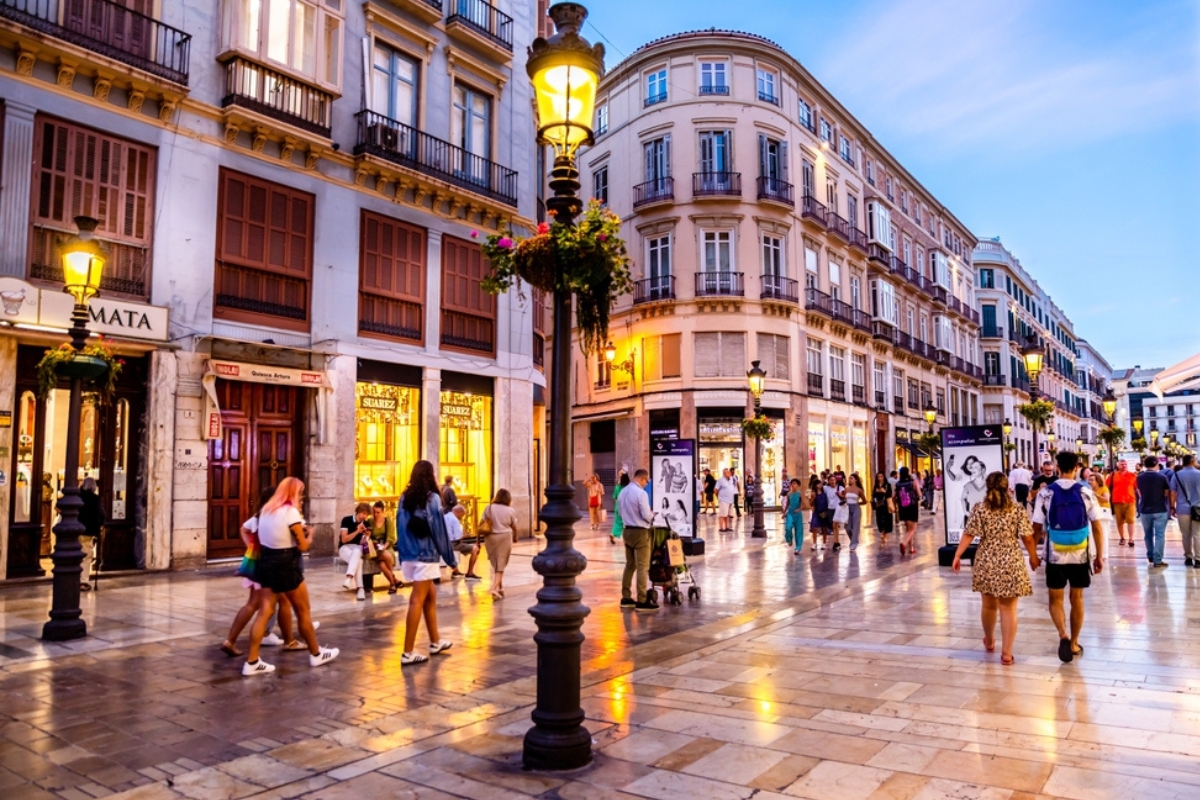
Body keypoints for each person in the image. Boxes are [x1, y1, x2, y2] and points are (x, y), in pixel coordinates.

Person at [243, 478, 337, 676]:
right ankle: (316, 653)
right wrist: (310, 535)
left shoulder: (266, 510)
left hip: (267, 561)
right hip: (287, 563)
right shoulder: (290, 512)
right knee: (303, 610)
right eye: (300, 492)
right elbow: (302, 546)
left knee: (264, 612)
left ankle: (251, 660)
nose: (301, 496)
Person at [951, 472, 1039, 665]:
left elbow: (969, 533)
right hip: (1010, 560)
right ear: (1008, 486)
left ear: (987, 487)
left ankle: (990, 641)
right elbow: (1028, 537)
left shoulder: (980, 509)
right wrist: (1033, 557)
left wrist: (957, 555)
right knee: (1008, 609)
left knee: (988, 605)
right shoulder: (1016, 509)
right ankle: (1007, 654)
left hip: (987, 560)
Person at [1031, 451, 1105, 664]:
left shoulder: (1046, 493)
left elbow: (1036, 526)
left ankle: (1062, 634)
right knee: (1077, 598)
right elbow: (1097, 527)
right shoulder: (1085, 492)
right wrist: (1099, 556)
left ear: (1057, 466)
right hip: (1080, 553)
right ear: (1076, 468)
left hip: (1055, 553)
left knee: (1055, 598)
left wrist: (1034, 555)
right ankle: (1073, 643)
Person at [222, 487, 301, 658]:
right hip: (270, 564)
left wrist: (251, 547)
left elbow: (244, 529)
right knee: (276, 603)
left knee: (256, 603)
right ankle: (288, 642)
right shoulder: (273, 517)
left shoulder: (259, 516)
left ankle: (231, 641)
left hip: (256, 563)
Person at [396, 460, 458, 665]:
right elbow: (439, 531)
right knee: (417, 600)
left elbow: (400, 527)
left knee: (430, 595)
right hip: (425, 555)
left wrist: (403, 553)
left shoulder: (404, 498)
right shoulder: (432, 500)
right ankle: (407, 652)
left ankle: (435, 641)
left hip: (409, 555)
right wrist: (451, 559)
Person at [617, 468, 657, 611]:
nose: (646, 484)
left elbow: (620, 512)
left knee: (629, 565)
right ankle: (642, 600)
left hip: (627, 530)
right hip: (640, 532)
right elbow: (646, 515)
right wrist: (653, 515)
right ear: (642, 478)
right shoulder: (641, 493)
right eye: (646, 481)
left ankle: (626, 597)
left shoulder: (623, 492)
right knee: (642, 566)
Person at [480, 488, 519, 600]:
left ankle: (501, 587)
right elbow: (515, 526)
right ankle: (494, 588)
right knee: (501, 563)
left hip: (490, 538)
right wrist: (516, 537)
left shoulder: (489, 508)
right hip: (504, 537)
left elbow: (481, 523)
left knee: (497, 563)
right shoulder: (510, 510)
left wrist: (478, 539)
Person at [1136, 455, 1174, 568]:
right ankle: (1158, 560)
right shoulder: (1162, 477)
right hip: (1160, 509)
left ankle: (1150, 555)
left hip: (1144, 509)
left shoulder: (1139, 477)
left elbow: (1139, 491)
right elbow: (1167, 492)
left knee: (1147, 534)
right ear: (1157, 464)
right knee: (1159, 535)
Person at [338, 503, 372, 601]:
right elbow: (344, 540)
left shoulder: (366, 524)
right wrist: (357, 531)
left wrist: (367, 536)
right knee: (359, 561)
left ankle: (349, 578)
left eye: (367, 514)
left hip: (357, 548)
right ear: (358, 512)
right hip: (344, 548)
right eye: (363, 513)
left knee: (358, 550)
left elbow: (362, 543)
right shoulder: (346, 520)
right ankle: (360, 589)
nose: (364, 516)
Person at [1172, 455, 1200, 568]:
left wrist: (1172, 507)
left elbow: (1172, 492)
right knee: (1197, 534)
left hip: (1182, 508)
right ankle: (1198, 559)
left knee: (1185, 534)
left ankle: (1188, 557)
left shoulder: (1177, 475)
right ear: (1193, 461)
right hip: (1198, 508)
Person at [946, 454, 988, 530]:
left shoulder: (980, 474)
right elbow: (954, 478)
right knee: (964, 524)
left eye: (972, 464)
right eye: (967, 463)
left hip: (976, 503)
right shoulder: (962, 473)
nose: (969, 466)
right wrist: (948, 470)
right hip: (964, 501)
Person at [367, 501, 401, 592]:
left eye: (378, 512)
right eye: (374, 512)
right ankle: (393, 582)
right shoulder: (370, 521)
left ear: (383, 512)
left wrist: (383, 547)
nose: (375, 514)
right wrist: (376, 544)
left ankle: (393, 584)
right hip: (374, 548)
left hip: (386, 546)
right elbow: (368, 536)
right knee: (387, 556)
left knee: (382, 564)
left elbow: (391, 538)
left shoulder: (388, 521)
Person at [78, 477, 103, 591]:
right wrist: (100, 525)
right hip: (88, 531)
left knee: (75, 555)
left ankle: (74, 579)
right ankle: (82, 581)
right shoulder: (95, 499)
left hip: (75, 530)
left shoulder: (77, 496)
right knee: (87, 556)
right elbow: (102, 514)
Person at [444, 504, 481, 579]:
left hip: (443, 543)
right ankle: (470, 573)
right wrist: (466, 535)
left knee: (463, 545)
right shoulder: (455, 520)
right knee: (475, 548)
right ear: (459, 512)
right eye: (462, 515)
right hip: (452, 544)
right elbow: (457, 538)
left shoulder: (445, 516)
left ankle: (456, 570)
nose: (462, 517)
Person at [1107, 459, 1138, 548]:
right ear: (1118, 465)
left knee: (1131, 521)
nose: (1124, 466)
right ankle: (1122, 537)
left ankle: (1131, 539)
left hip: (1130, 501)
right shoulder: (1112, 476)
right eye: (1122, 464)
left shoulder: (1132, 475)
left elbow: (1137, 488)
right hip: (1117, 501)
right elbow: (1107, 487)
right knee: (1119, 521)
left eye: (1125, 464)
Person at [895, 467, 920, 555]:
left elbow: (894, 496)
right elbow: (919, 494)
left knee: (908, 529)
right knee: (913, 528)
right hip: (912, 506)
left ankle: (911, 548)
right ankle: (904, 543)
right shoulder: (913, 482)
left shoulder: (898, 484)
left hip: (902, 507)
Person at [871, 472, 894, 545]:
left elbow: (890, 494)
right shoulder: (876, 485)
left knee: (887, 519)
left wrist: (884, 491)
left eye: (881, 476)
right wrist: (877, 492)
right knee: (879, 519)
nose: (880, 478)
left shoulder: (887, 485)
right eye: (878, 476)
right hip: (879, 504)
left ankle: (885, 533)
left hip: (886, 504)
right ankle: (882, 531)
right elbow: (873, 494)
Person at [844, 473, 865, 552]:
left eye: (851, 478)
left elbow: (864, 501)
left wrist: (857, 503)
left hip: (856, 508)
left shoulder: (859, 490)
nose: (850, 480)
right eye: (849, 478)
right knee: (848, 528)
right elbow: (844, 499)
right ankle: (854, 539)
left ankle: (853, 544)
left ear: (856, 480)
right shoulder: (846, 489)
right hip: (847, 508)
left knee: (855, 527)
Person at [783, 478, 805, 554]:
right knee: (788, 527)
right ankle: (789, 539)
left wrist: (798, 509)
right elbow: (787, 504)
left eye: (795, 483)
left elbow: (804, 505)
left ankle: (798, 548)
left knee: (799, 531)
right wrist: (784, 512)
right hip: (790, 513)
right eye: (792, 483)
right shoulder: (789, 494)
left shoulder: (800, 494)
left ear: (798, 485)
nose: (793, 485)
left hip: (798, 514)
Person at [612, 471, 629, 544]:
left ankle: (612, 534)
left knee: (617, 522)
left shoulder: (617, 487)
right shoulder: (628, 488)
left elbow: (615, 497)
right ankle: (626, 539)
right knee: (627, 523)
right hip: (626, 507)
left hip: (617, 507)